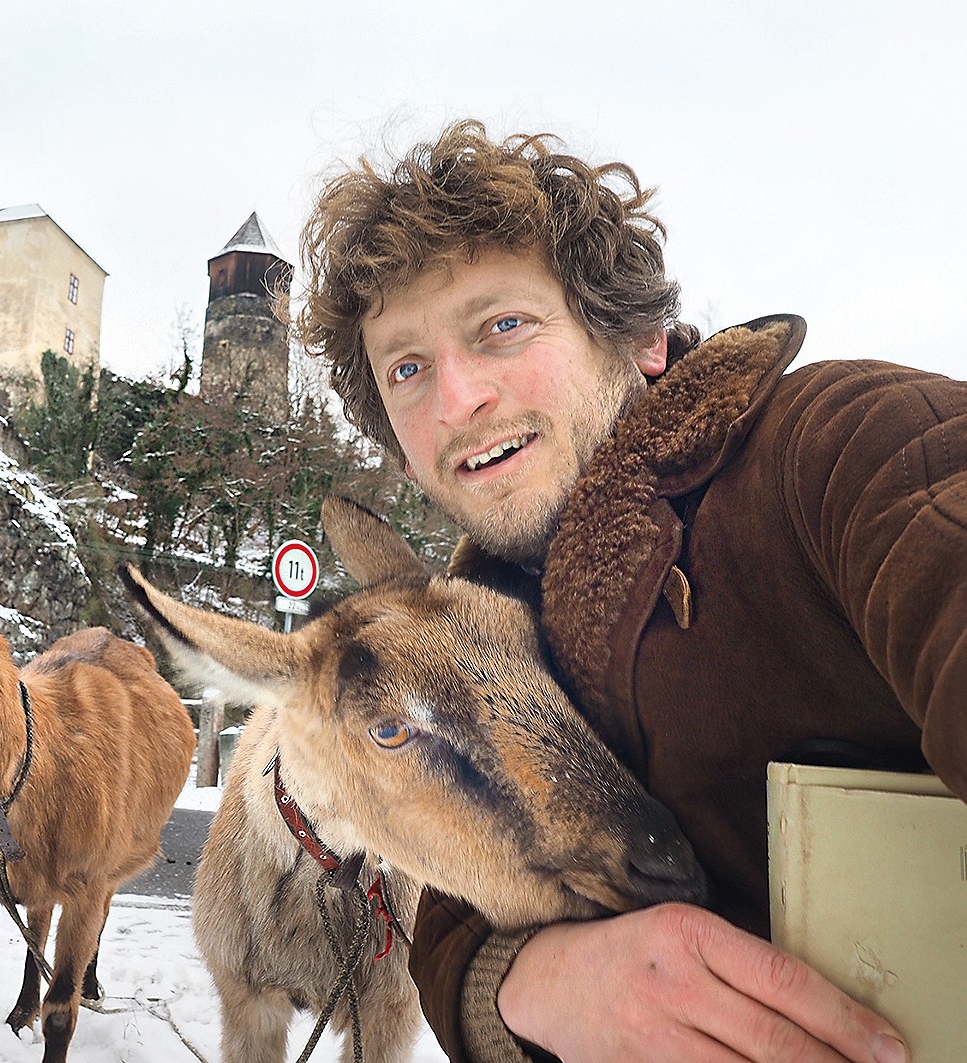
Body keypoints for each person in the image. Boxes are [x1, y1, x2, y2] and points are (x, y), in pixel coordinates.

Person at [294, 120, 967, 1063]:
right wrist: (532, 984)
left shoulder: (837, 446)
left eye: (502, 326)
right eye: (405, 368)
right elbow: (450, 913)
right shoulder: (471, 620)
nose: (454, 399)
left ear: (642, 338)